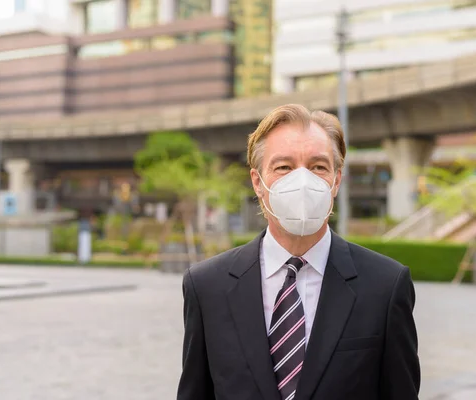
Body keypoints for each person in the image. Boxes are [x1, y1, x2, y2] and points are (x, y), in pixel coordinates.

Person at [177, 104, 420, 400]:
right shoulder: (206, 287)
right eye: (284, 167)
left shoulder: (386, 285)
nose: (303, 181)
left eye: (318, 166)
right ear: (258, 182)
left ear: (336, 180)